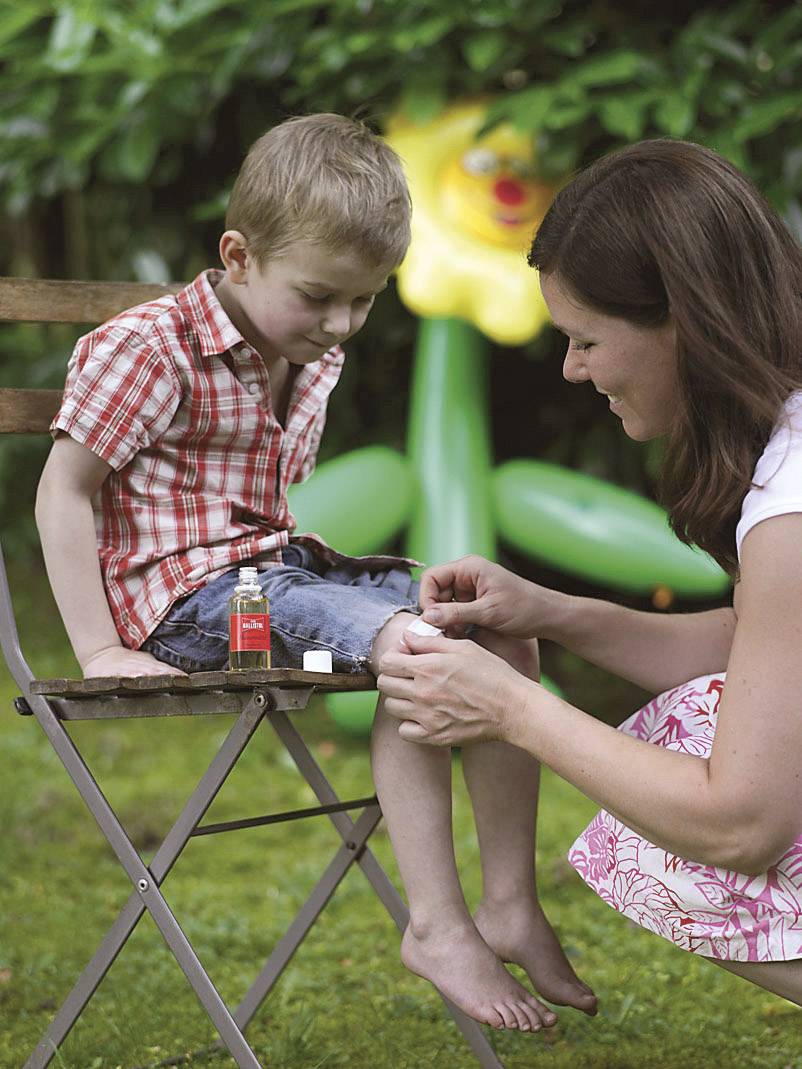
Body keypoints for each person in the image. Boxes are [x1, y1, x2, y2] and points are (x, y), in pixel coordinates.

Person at [35, 113, 596, 1034]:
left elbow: (275, 522)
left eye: (364, 303)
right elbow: (63, 497)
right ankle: (436, 924)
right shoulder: (147, 349)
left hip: (270, 578)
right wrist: (97, 648)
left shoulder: (306, 350)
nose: (341, 324)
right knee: (413, 646)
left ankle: (508, 901)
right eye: (320, 297)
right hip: (183, 602)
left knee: (490, 616)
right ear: (238, 254)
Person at [377, 137, 802, 1007]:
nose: (572, 368)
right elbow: (762, 644)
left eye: (585, 339)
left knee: (666, 815)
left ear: (682, 318)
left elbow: (742, 824)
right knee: (695, 727)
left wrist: (511, 704)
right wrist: (552, 613)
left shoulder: (793, 498)